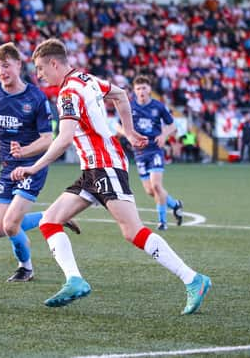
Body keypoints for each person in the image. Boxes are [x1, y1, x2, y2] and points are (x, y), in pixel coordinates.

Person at [11, 38, 211, 314]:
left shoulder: (68, 92)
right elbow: (120, 95)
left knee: (133, 231)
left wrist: (34, 166)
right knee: (49, 220)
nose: (39, 74)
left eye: (40, 68)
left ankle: (193, 279)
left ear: (54, 63)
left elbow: (64, 138)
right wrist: (128, 131)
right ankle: (74, 280)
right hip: (92, 169)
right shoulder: (87, 79)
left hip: (104, 166)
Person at [0, 42, 79, 282]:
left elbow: (49, 139)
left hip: (32, 168)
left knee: (10, 224)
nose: (2, 71)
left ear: (19, 64)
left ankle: (25, 267)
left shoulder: (35, 97)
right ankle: (53, 215)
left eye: (6, 65)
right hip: (8, 168)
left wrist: (24, 151)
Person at [126, 75, 184, 231]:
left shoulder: (158, 106)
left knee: (157, 186)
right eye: (138, 88)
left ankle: (162, 222)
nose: (141, 91)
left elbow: (173, 126)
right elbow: (118, 125)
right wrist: (128, 135)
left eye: (144, 88)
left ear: (149, 89)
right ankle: (175, 204)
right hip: (139, 153)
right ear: (134, 91)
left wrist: (164, 134)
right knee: (150, 191)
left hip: (155, 151)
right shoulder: (130, 107)